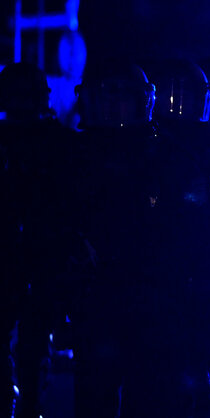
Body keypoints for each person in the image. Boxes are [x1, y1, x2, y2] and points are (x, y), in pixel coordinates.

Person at [71, 59, 210, 417]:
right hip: (96, 296)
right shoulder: (74, 154)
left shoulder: (170, 156)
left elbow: (202, 233)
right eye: (106, 97)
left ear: (144, 100)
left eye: (123, 97)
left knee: (151, 396)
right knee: (93, 396)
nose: (115, 107)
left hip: (160, 299)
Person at [142, 58, 210, 417]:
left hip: (208, 273)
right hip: (153, 274)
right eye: (173, 95)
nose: (179, 104)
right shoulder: (144, 148)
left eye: (187, 96)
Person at [0, 62, 78, 418]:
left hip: (40, 255)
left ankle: (26, 403)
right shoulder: (59, 142)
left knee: (32, 342)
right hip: (32, 256)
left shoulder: (59, 142)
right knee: (31, 343)